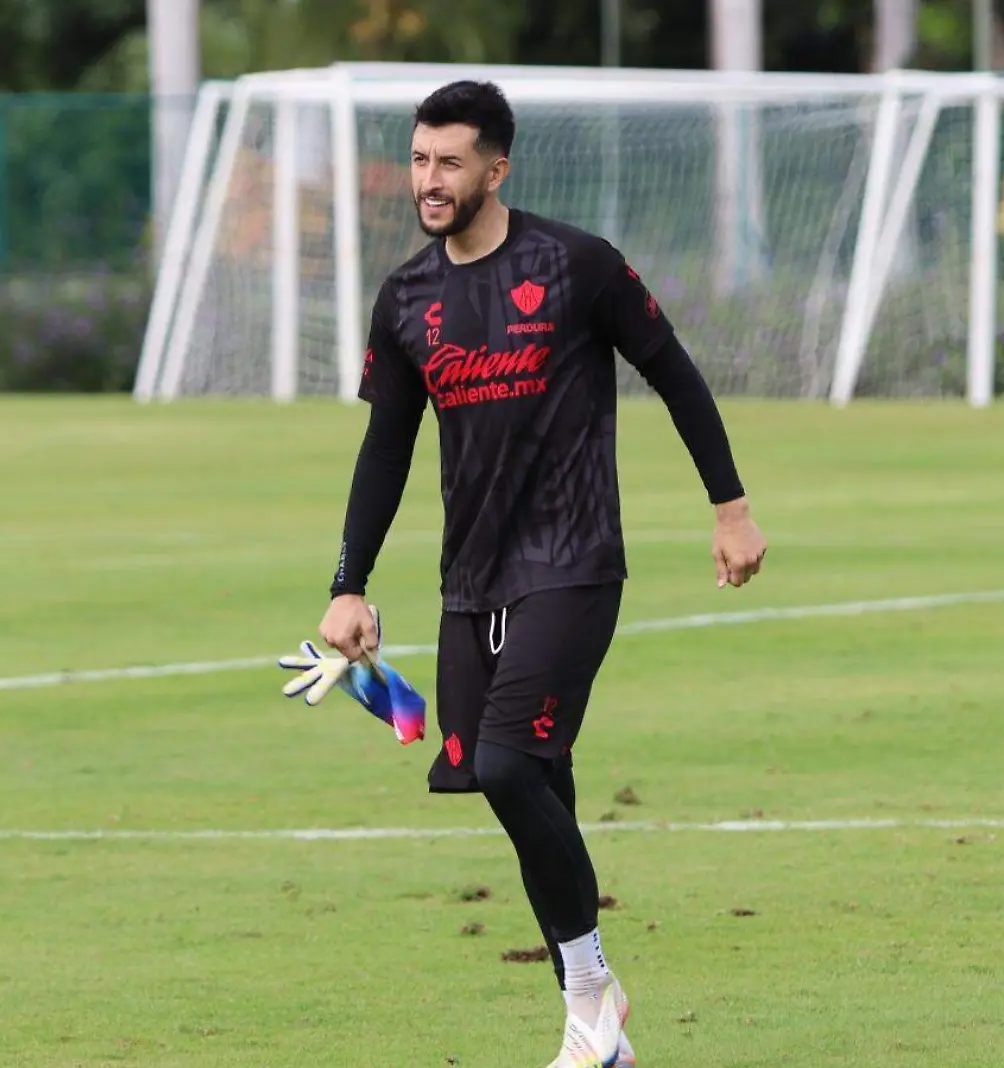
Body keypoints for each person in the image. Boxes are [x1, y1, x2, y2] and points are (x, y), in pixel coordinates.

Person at [316, 79, 766, 1068]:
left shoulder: (575, 266)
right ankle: (591, 1029)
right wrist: (348, 584)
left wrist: (728, 508)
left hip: (572, 562)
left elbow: (675, 371)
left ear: (495, 168)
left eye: (448, 162)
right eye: (419, 160)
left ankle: (591, 990)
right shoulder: (405, 299)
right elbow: (385, 448)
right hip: (469, 581)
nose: (427, 181)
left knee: (510, 765)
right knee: (531, 789)